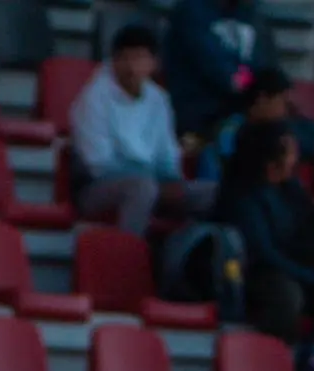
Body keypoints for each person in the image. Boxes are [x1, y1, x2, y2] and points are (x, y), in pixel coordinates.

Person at [216, 119, 314, 346]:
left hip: (304, 272)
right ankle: (273, 358)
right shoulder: (244, 198)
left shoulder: (292, 189)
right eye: (290, 153)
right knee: (287, 297)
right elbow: (265, 254)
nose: (295, 159)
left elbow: (312, 241)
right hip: (262, 274)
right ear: (271, 166)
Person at [71, 24, 216, 239]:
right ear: (114, 61)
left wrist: (172, 182)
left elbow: (167, 155)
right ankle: (128, 253)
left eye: (139, 58)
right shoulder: (93, 98)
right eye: (124, 58)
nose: (131, 67)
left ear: (154, 63)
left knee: (211, 192)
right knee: (142, 189)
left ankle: (190, 252)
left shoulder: (159, 99)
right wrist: (152, 180)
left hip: (155, 181)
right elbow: (98, 164)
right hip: (98, 187)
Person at [198, 66, 314, 206]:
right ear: (262, 99)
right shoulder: (230, 133)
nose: (284, 110)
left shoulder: (280, 128)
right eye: (281, 101)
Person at [162, 0, 279, 140]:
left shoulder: (250, 14)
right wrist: (253, 82)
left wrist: (258, 85)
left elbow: (267, 68)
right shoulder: (192, 12)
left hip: (243, 110)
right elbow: (223, 74)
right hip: (202, 117)